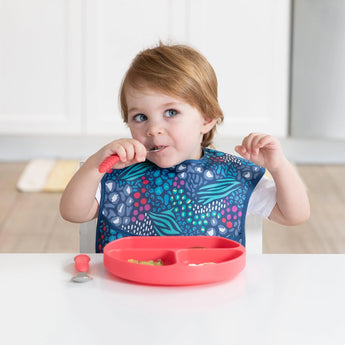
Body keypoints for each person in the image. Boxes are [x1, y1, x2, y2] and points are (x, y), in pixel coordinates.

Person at [60, 43, 310, 252]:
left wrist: (279, 167)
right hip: (127, 294)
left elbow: (294, 215)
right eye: (140, 117)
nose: (153, 129)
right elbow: (73, 213)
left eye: (171, 112)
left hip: (210, 297)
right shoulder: (118, 173)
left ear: (207, 119)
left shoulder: (232, 176)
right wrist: (95, 166)